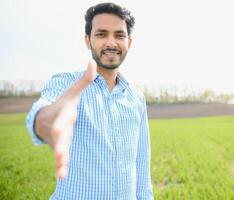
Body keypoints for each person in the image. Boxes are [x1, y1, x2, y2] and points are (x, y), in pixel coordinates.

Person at [26, 2, 154, 199]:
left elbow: (142, 169)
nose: (111, 43)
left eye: (119, 35)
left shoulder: (136, 98)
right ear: (88, 41)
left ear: (129, 42)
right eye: (101, 34)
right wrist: (42, 121)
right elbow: (45, 108)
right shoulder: (67, 83)